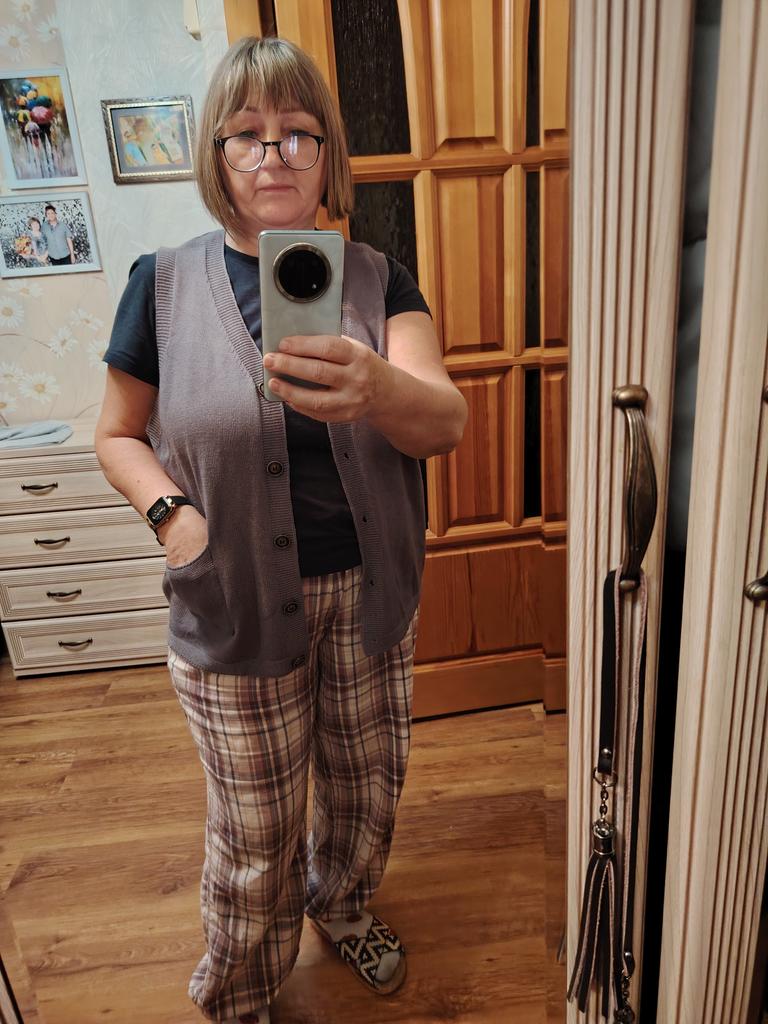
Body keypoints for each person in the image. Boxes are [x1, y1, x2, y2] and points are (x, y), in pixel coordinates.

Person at [95, 35, 467, 1024]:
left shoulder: (378, 281)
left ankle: (342, 904)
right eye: (248, 134)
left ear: (326, 151)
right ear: (217, 154)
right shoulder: (161, 284)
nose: (275, 155)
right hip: (234, 597)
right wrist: (173, 520)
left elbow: (445, 423)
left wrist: (376, 384)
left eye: (299, 133)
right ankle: (241, 989)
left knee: (364, 785)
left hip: (368, 593)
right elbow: (116, 434)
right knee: (255, 828)